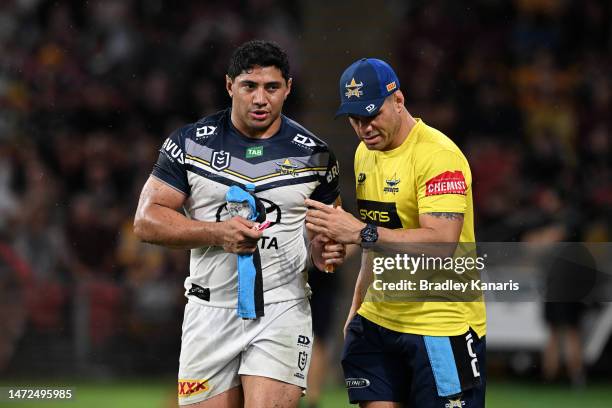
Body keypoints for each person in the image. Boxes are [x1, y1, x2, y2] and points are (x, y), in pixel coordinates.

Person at [133, 40, 345, 408]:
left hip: (282, 307)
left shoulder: (315, 155)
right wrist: (218, 233)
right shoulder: (189, 144)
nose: (260, 99)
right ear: (230, 86)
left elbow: (326, 230)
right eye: (250, 86)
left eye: (272, 88)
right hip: (209, 309)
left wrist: (326, 248)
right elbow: (146, 221)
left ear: (288, 89)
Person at [305, 58, 486, 408]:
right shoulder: (364, 155)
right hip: (378, 320)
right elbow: (377, 240)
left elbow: (441, 243)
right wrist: (358, 306)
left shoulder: (438, 156)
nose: (364, 127)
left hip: (440, 325)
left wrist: (360, 232)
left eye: (372, 114)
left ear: (399, 101)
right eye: (355, 119)